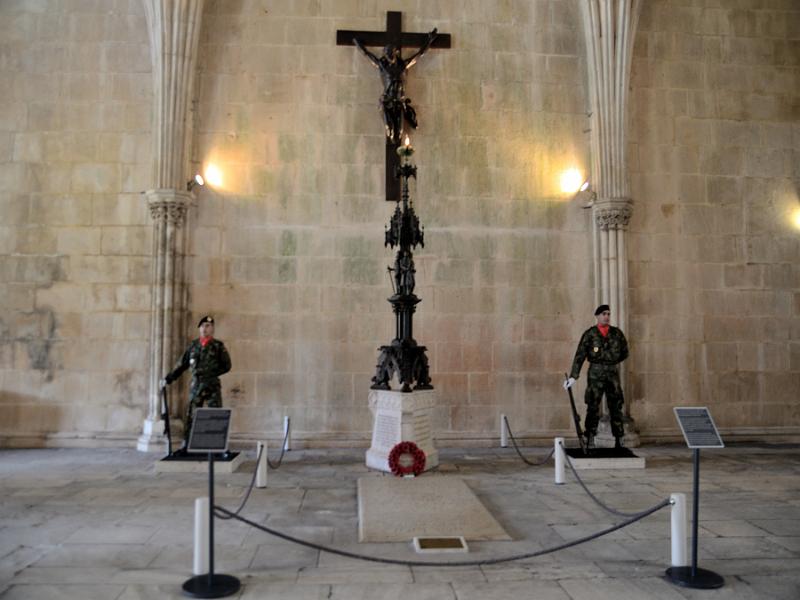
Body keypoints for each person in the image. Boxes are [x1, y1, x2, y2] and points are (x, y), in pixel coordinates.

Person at [353, 29, 438, 145]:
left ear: (395, 52)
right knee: (390, 129)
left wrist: (429, 41)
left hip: (399, 101)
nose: (388, 54)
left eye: (390, 52)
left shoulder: (403, 65)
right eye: (386, 52)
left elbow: (419, 55)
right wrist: (359, 45)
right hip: (387, 100)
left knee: (399, 132)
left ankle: (397, 143)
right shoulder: (383, 66)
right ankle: (391, 135)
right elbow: (368, 56)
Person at [564, 305, 629, 449]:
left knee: (616, 406)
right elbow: (580, 355)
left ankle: (619, 439)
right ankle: (590, 437)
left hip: (612, 373)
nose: (606, 316)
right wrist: (574, 376)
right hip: (595, 373)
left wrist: (611, 361)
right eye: (603, 314)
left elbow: (625, 352)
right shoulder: (590, 334)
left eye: (608, 314)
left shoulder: (617, 333)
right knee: (593, 406)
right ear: (597, 316)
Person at [161, 316, 231, 448]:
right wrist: (168, 378)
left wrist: (211, 372)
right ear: (199, 329)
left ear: (212, 329)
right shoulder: (193, 346)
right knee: (191, 415)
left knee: (215, 414)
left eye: (208, 326)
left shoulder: (218, 346)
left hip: (212, 386)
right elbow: (181, 365)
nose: (205, 328)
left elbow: (227, 366)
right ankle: (188, 444)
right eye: (203, 326)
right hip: (196, 385)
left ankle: (216, 445)